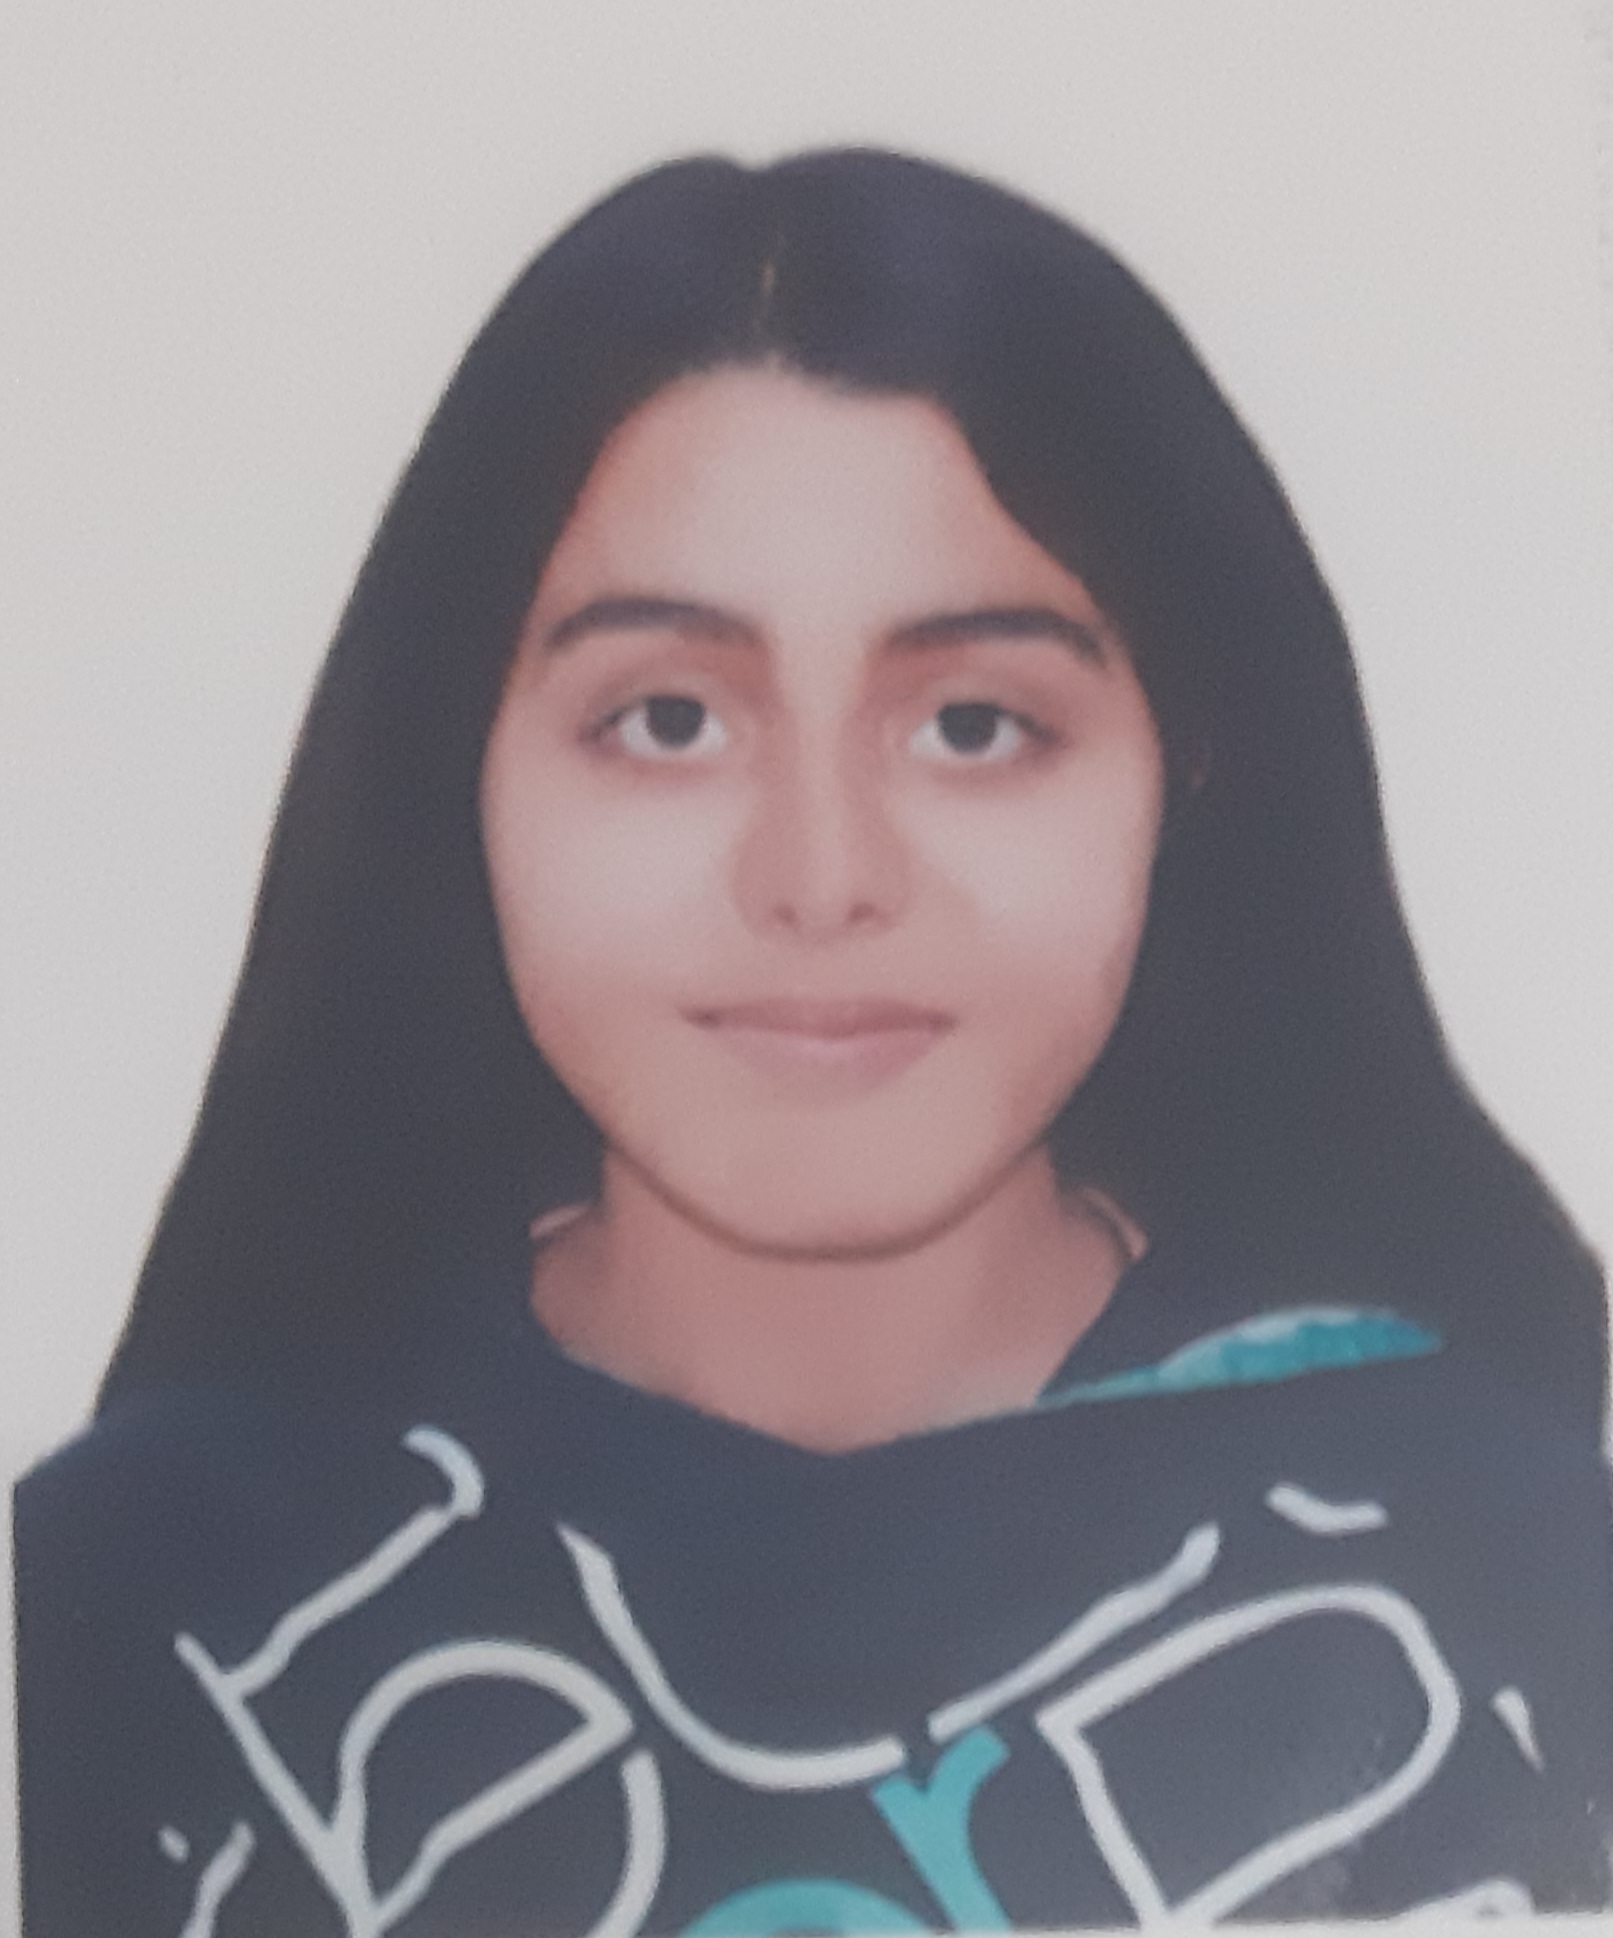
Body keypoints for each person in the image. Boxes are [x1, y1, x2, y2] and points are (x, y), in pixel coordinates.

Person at [14, 148, 1611, 1937]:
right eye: (667, 718)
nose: (822, 875)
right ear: (452, 777)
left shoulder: (1537, 1586)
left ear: (1191, 780)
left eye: (976, 724)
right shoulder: (123, 1614)